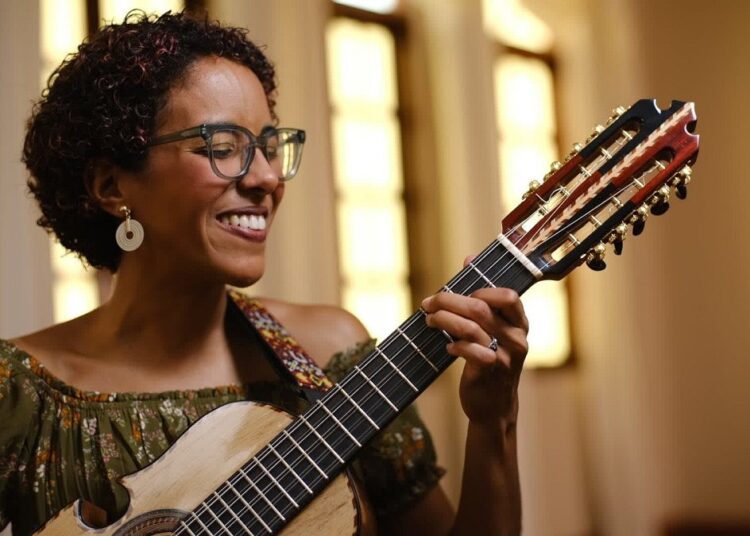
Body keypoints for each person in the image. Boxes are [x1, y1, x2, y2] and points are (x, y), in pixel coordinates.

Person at [0, 11, 529, 536]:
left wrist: (494, 424)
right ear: (112, 187)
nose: (266, 178)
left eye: (269, 147)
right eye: (222, 147)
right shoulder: (19, 398)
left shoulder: (328, 356)